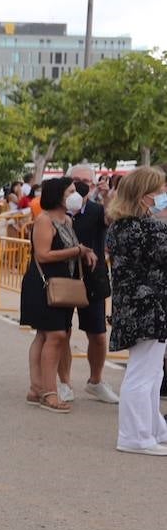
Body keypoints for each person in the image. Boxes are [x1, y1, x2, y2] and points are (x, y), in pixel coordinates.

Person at [19, 177, 96, 414]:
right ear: (58, 194)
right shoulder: (44, 220)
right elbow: (43, 255)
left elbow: (68, 248)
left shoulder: (67, 221)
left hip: (61, 286)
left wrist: (84, 252)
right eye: (71, 191)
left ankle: (36, 388)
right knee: (55, 336)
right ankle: (49, 392)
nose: (75, 195)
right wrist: (77, 250)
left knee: (46, 336)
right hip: (44, 286)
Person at [104, 167, 167, 455]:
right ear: (145, 197)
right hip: (147, 308)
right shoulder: (145, 229)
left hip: (139, 307)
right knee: (143, 374)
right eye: (160, 191)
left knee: (150, 374)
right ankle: (135, 436)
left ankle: (152, 428)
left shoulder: (123, 226)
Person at [55, 164, 119, 405]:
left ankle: (96, 381)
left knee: (98, 334)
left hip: (94, 278)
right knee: (61, 333)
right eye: (75, 181)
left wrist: (107, 196)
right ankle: (64, 382)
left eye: (86, 182)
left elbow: (112, 218)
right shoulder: (56, 211)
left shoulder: (97, 210)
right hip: (63, 277)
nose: (80, 186)